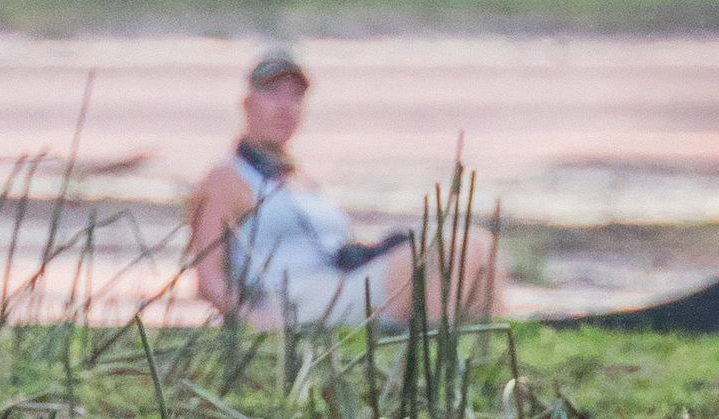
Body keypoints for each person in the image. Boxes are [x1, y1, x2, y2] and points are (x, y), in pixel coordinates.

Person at [186, 46, 494, 327]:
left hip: (339, 282)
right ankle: (432, 346)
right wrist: (255, 321)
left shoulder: (302, 181)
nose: (285, 107)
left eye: (295, 96)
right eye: (273, 94)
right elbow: (208, 279)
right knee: (455, 249)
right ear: (247, 104)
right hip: (294, 300)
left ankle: (478, 342)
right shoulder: (226, 176)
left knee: (482, 247)